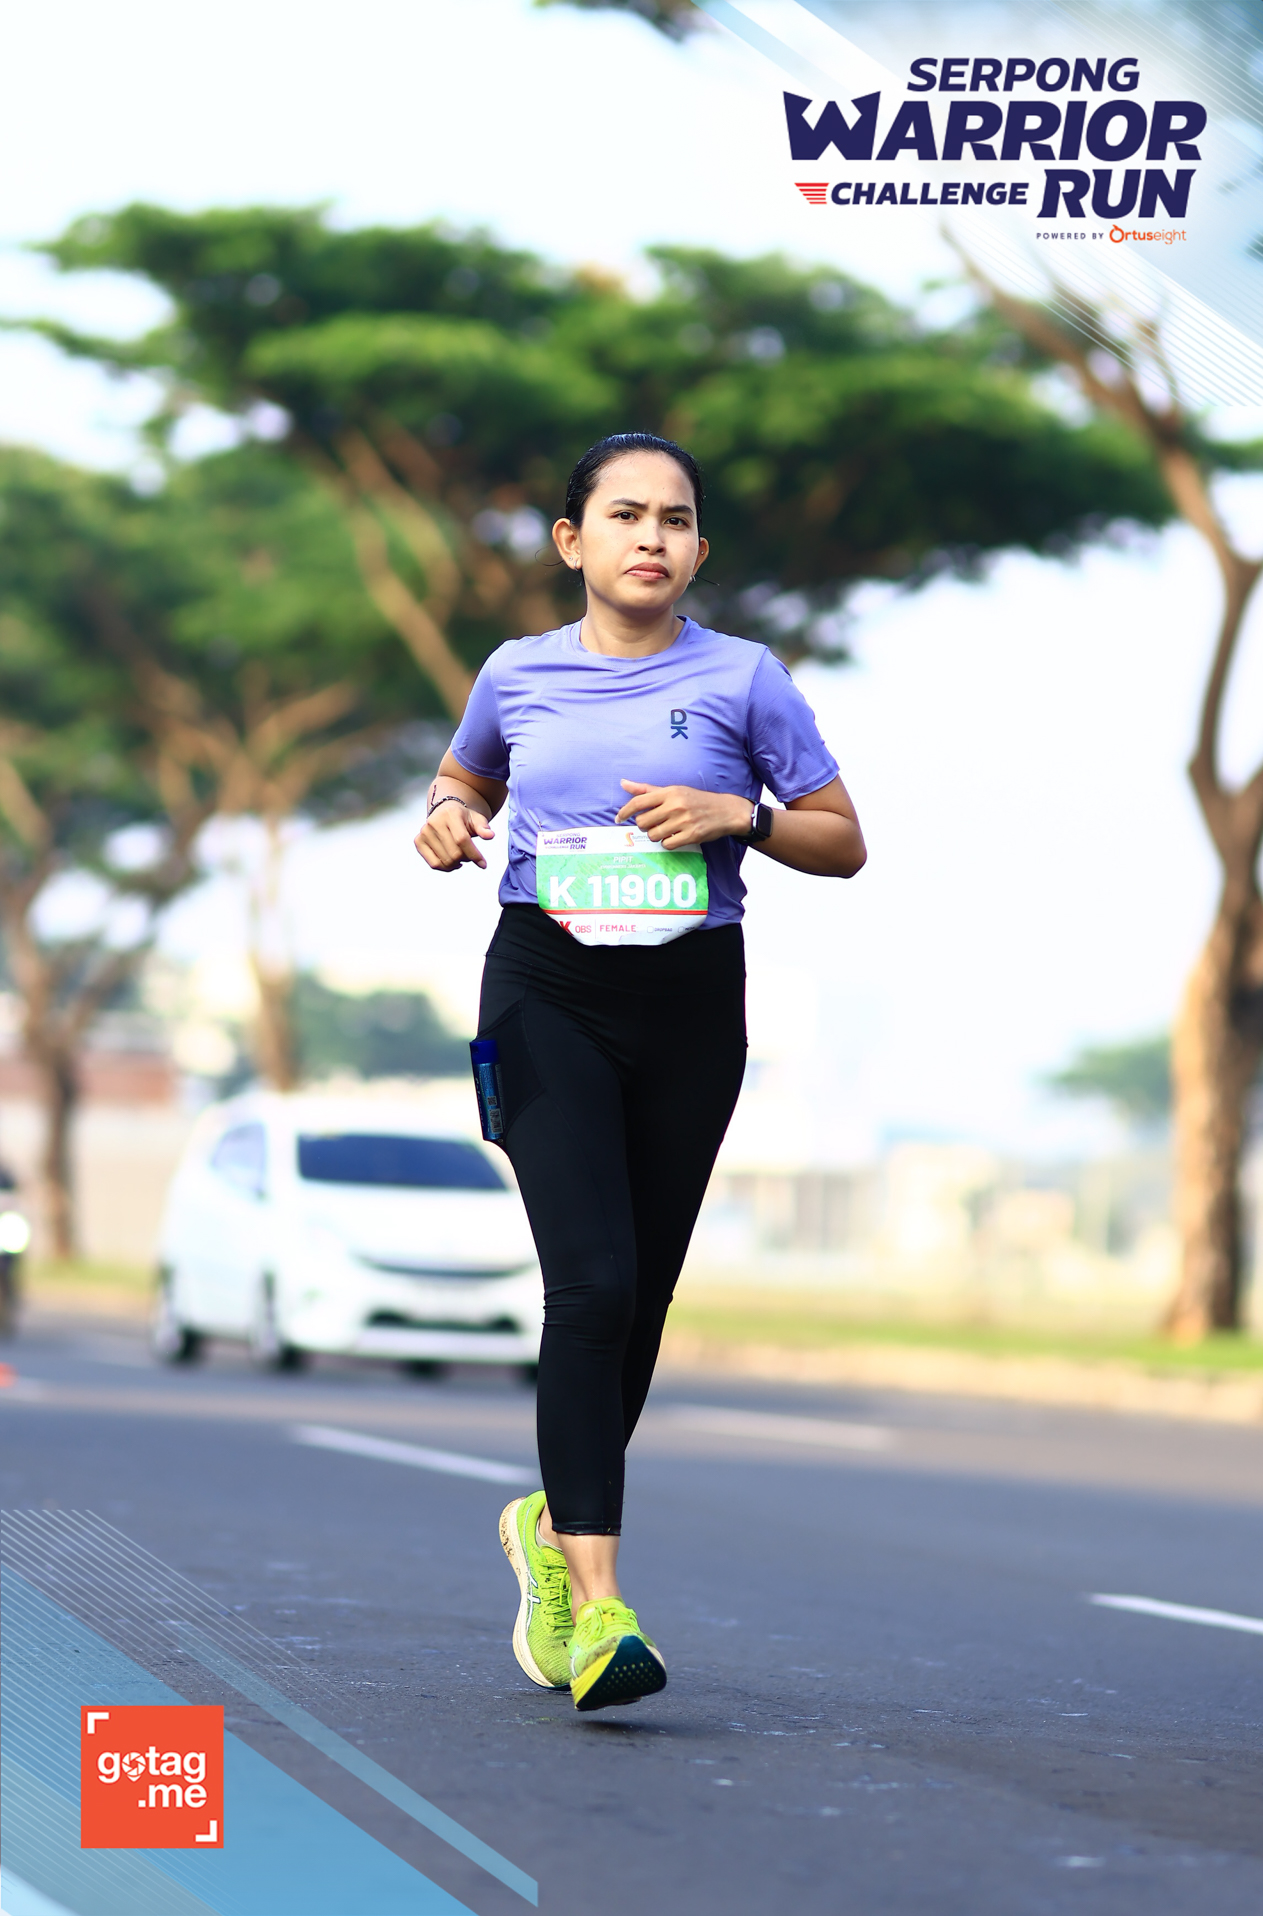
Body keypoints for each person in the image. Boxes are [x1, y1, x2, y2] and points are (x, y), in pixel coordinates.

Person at [414, 432, 866, 1712]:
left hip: (688, 1001)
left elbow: (842, 839)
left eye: (673, 519)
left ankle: (545, 1525)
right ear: (572, 541)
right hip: (543, 987)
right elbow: (460, 777)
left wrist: (743, 816)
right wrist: (444, 818)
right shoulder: (516, 671)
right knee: (592, 1285)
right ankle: (603, 1605)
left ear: (698, 549)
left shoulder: (743, 677)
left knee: (642, 1299)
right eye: (624, 515)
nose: (649, 537)